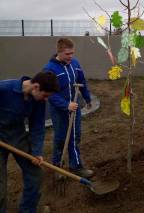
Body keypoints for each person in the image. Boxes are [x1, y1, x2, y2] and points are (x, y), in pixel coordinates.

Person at [0, 71, 59, 212]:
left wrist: (37, 152)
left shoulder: (37, 101)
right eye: (45, 96)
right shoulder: (3, 89)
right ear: (36, 87)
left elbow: (37, 126)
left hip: (17, 136)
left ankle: (27, 210)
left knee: (35, 175)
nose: (46, 100)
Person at [43, 38, 94, 178]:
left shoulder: (75, 64)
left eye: (72, 53)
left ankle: (76, 165)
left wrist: (87, 98)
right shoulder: (50, 69)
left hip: (75, 108)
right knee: (61, 138)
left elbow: (81, 81)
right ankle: (57, 168)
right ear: (59, 52)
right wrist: (66, 105)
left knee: (75, 136)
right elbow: (49, 93)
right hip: (59, 111)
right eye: (67, 54)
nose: (70, 56)